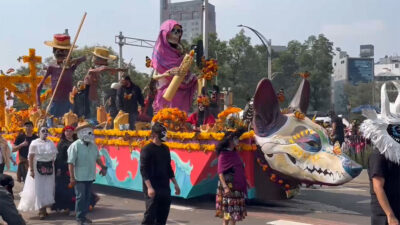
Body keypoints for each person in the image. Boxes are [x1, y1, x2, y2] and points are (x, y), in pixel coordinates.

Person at [151, 19, 197, 113]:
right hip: (166, 93)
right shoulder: (160, 54)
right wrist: (167, 74)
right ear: (165, 33)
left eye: (179, 31)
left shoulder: (180, 53)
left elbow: (185, 73)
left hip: (180, 90)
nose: (177, 34)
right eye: (173, 31)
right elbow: (154, 76)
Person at [140, 122, 180, 225]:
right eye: (162, 133)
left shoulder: (165, 149)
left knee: (163, 214)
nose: (164, 136)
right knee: (150, 215)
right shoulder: (146, 149)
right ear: (154, 135)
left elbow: (168, 167)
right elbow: (143, 170)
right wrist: (149, 187)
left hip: (164, 186)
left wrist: (175, 184)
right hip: (152, 186)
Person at [37, 33, 86, 117]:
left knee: (70, 124)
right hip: (55, 102)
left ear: (68, 52)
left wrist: (72, 60)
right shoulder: (52, 67)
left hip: (69, 103)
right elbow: (39, 86)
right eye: (58, 50)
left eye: (64, 51)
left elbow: (83, 58)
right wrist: (38, 104)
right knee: (52, 125)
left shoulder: (70, 68)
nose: (61, 53)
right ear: (53, 51)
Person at [68, 121, 107, 225]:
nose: (91, 133)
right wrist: (72, 177)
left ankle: (84, 216)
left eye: (91, 131)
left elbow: (97, 158)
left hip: (90, 176)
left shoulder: (93, 145)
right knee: (80, 197)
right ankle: (80, 218)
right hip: (79, 177)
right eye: (87, 131)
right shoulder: (75, 146)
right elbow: (71, 163)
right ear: (81, 132)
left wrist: (103, 167)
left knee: (86, 197)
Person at [18, 126, 57, 220]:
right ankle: (41, 210)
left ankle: (44, 208)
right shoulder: (34, 143)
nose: (45, 133)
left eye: (46, 131)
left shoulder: (51, 142)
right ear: (39, 132)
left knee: (47, 188)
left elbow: (54, 155)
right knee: (39, 188)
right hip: (37, 169)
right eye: (43, 131)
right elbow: (30, 157)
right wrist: (31, 170)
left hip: (49, 169)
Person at [215, 128, 248, 225]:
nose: (237, 141)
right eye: (236, 138)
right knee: (227, 214)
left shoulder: (235, 153)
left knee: (235, 215)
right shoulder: (223, 155)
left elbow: (240, 169)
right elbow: (220, 172)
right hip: (228, 187)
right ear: (230, 141)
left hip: (237, 188)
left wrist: (245, 182)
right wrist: (225, 187)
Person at [85, 47, 127, 119]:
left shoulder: (99, 70)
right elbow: (102, 69)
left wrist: (118, 70)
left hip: (95, 98)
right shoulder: (93, 69)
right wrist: (115, 69)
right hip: (90, 98)